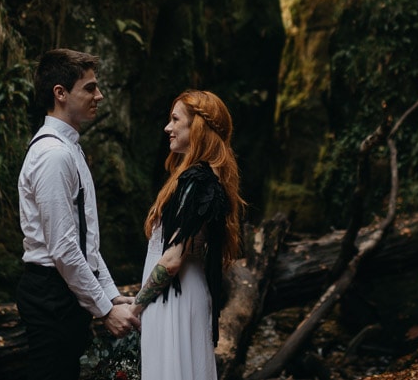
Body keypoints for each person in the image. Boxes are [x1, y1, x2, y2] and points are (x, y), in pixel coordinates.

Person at [15, 48, 139, 380]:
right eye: (90, 88)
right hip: (51, 293)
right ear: (60, 93)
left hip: (63, 290)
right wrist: (105, 311)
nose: (99, 96)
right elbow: (63, 247)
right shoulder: (53, 154)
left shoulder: (69, 148)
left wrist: (111, 294)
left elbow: (86, 243)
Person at [130, 89, 245, 380]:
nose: (167, 127)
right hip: (185, 292)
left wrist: (135, 307)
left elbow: (172, 260)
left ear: (197, 127)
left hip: (173, 297)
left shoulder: (197, 181)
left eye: (175, 119)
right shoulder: (209, 179)